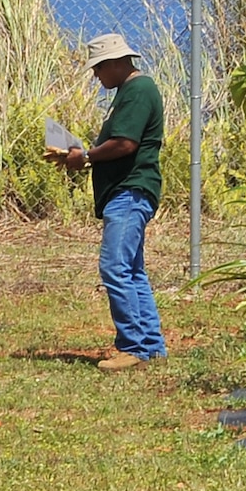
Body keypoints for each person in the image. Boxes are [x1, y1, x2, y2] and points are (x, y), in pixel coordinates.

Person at [45, 33, 167, 370]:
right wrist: (82, 154)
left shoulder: (138, 91)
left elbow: (125, 144)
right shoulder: (129, 92)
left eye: (98, 69)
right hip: (127, 192)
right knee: (131, 270)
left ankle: (134, 348)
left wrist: (85, 156)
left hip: (129, 191)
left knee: (114, 267)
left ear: (115, 63)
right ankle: (151, 346)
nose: (97, 76)